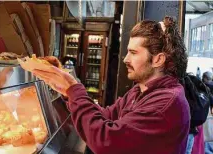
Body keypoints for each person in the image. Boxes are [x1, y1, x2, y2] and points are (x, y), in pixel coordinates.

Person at [31, 16, 190, 154]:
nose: (125, 59)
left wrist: (75, 90)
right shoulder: (140, 90)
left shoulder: (166, 103)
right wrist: (68, 94)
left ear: (158, 60)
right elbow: (106, 115)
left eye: (133, 53)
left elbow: (106, 141)